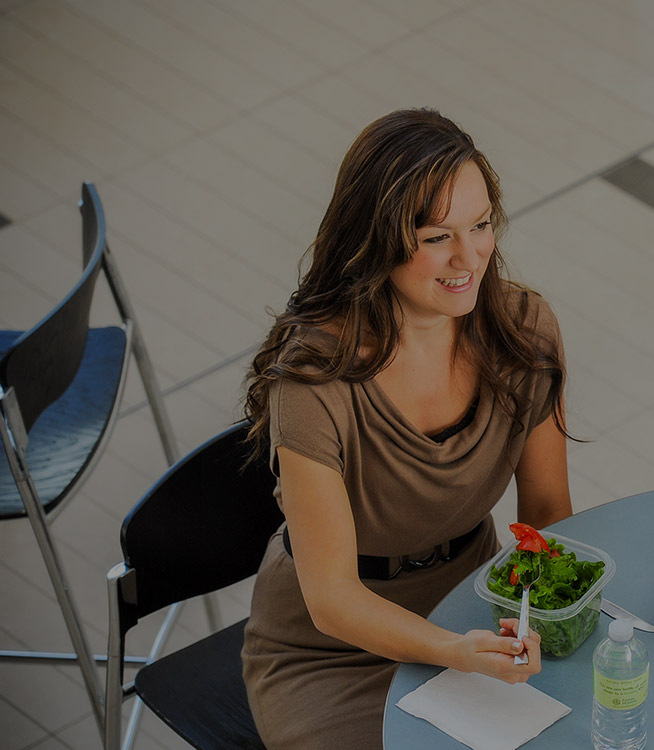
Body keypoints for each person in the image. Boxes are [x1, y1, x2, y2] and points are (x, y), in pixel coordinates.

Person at [240, 108, 573, 749]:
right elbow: (332, 598)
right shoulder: (314, 379)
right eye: (435, 237)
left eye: (480, 226)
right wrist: (455, 651)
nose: (468, 256)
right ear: (376, 240)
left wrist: (544, 616)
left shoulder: (525, 332)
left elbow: (548, 514)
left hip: (473, 605)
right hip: (329, 654)